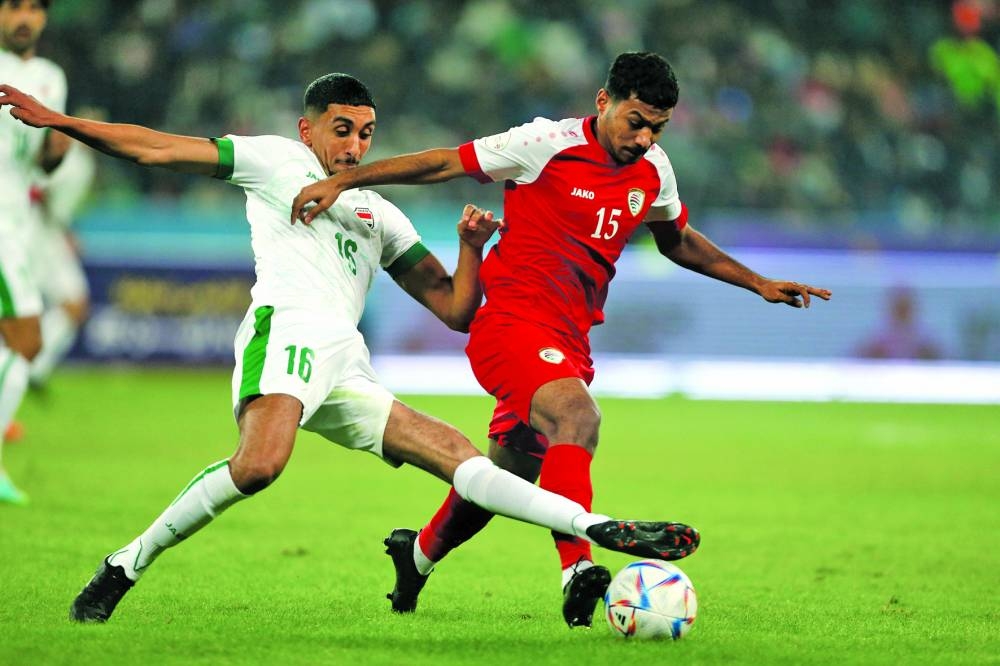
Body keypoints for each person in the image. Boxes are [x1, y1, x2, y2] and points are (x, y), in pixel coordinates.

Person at [1, 72, 701, 624]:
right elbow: (156, 146)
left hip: (346, 362)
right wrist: (63, 123)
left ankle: (593, 532)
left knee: (458, 456)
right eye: (342, 132)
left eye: (366, 135)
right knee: (260, 467)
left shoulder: (377, 211)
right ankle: (125, 565)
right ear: (308, 129)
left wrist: (468, 250)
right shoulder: (274, 159)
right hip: (287, 334)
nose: (355, 148)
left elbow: (457, 312)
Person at [289, 51, 832, 628]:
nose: (645, 138)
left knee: (507, 477)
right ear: (605, 101)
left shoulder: (655, 171)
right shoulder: (544, 143)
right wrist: (346, 178)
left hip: (570, 340)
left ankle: (416, 556)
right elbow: (444, 163)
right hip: (510, 326)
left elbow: (675, 240)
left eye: (658, 127)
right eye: (637, 121)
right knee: (577, 419)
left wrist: (757, 282)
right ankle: (578, 569)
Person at [0, 0, 69, 504]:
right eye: (13, 6)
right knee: (26, 338)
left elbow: (41, 165)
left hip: (20, 225)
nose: (24, 17)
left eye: (33, 8)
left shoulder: (50, 76)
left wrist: (57, 150)